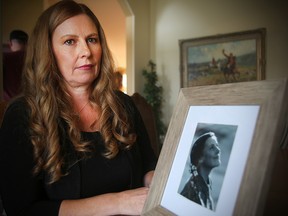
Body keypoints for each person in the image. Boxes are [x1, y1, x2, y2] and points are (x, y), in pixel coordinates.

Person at [0, 1, 157, 215]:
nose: (86, 51)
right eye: (70, 41)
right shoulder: (22, 114)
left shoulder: (123, 104)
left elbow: (148, 165)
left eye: (92, 39)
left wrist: (160, 181)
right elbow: (21, 208)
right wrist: (117, 203)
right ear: (47, 52)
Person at [180, 132, 221, 211]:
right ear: (200, 158)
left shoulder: (205, 184)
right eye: (212, 148)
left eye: (217, 146)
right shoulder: (192, 194)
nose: (218, 150)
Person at [3, 30, 28, 101]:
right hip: (33, 102)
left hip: (9, 104)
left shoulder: (5, 58)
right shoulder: (36, 59)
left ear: (10, 43)